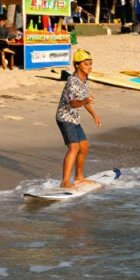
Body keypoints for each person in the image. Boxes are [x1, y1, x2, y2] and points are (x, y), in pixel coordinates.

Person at [55, 49, 102, 188]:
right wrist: (84, 101)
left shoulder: (84, 80)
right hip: (64, 117)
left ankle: (79, 177)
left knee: (84, 146)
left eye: (91, 64)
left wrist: (94, 114)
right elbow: (73, 103)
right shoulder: (72, 81)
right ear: (77, 65)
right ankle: (64, 182)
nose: (90, 67)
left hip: (74, 118)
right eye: (86, 64)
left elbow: (83, 100)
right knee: (74, 147)